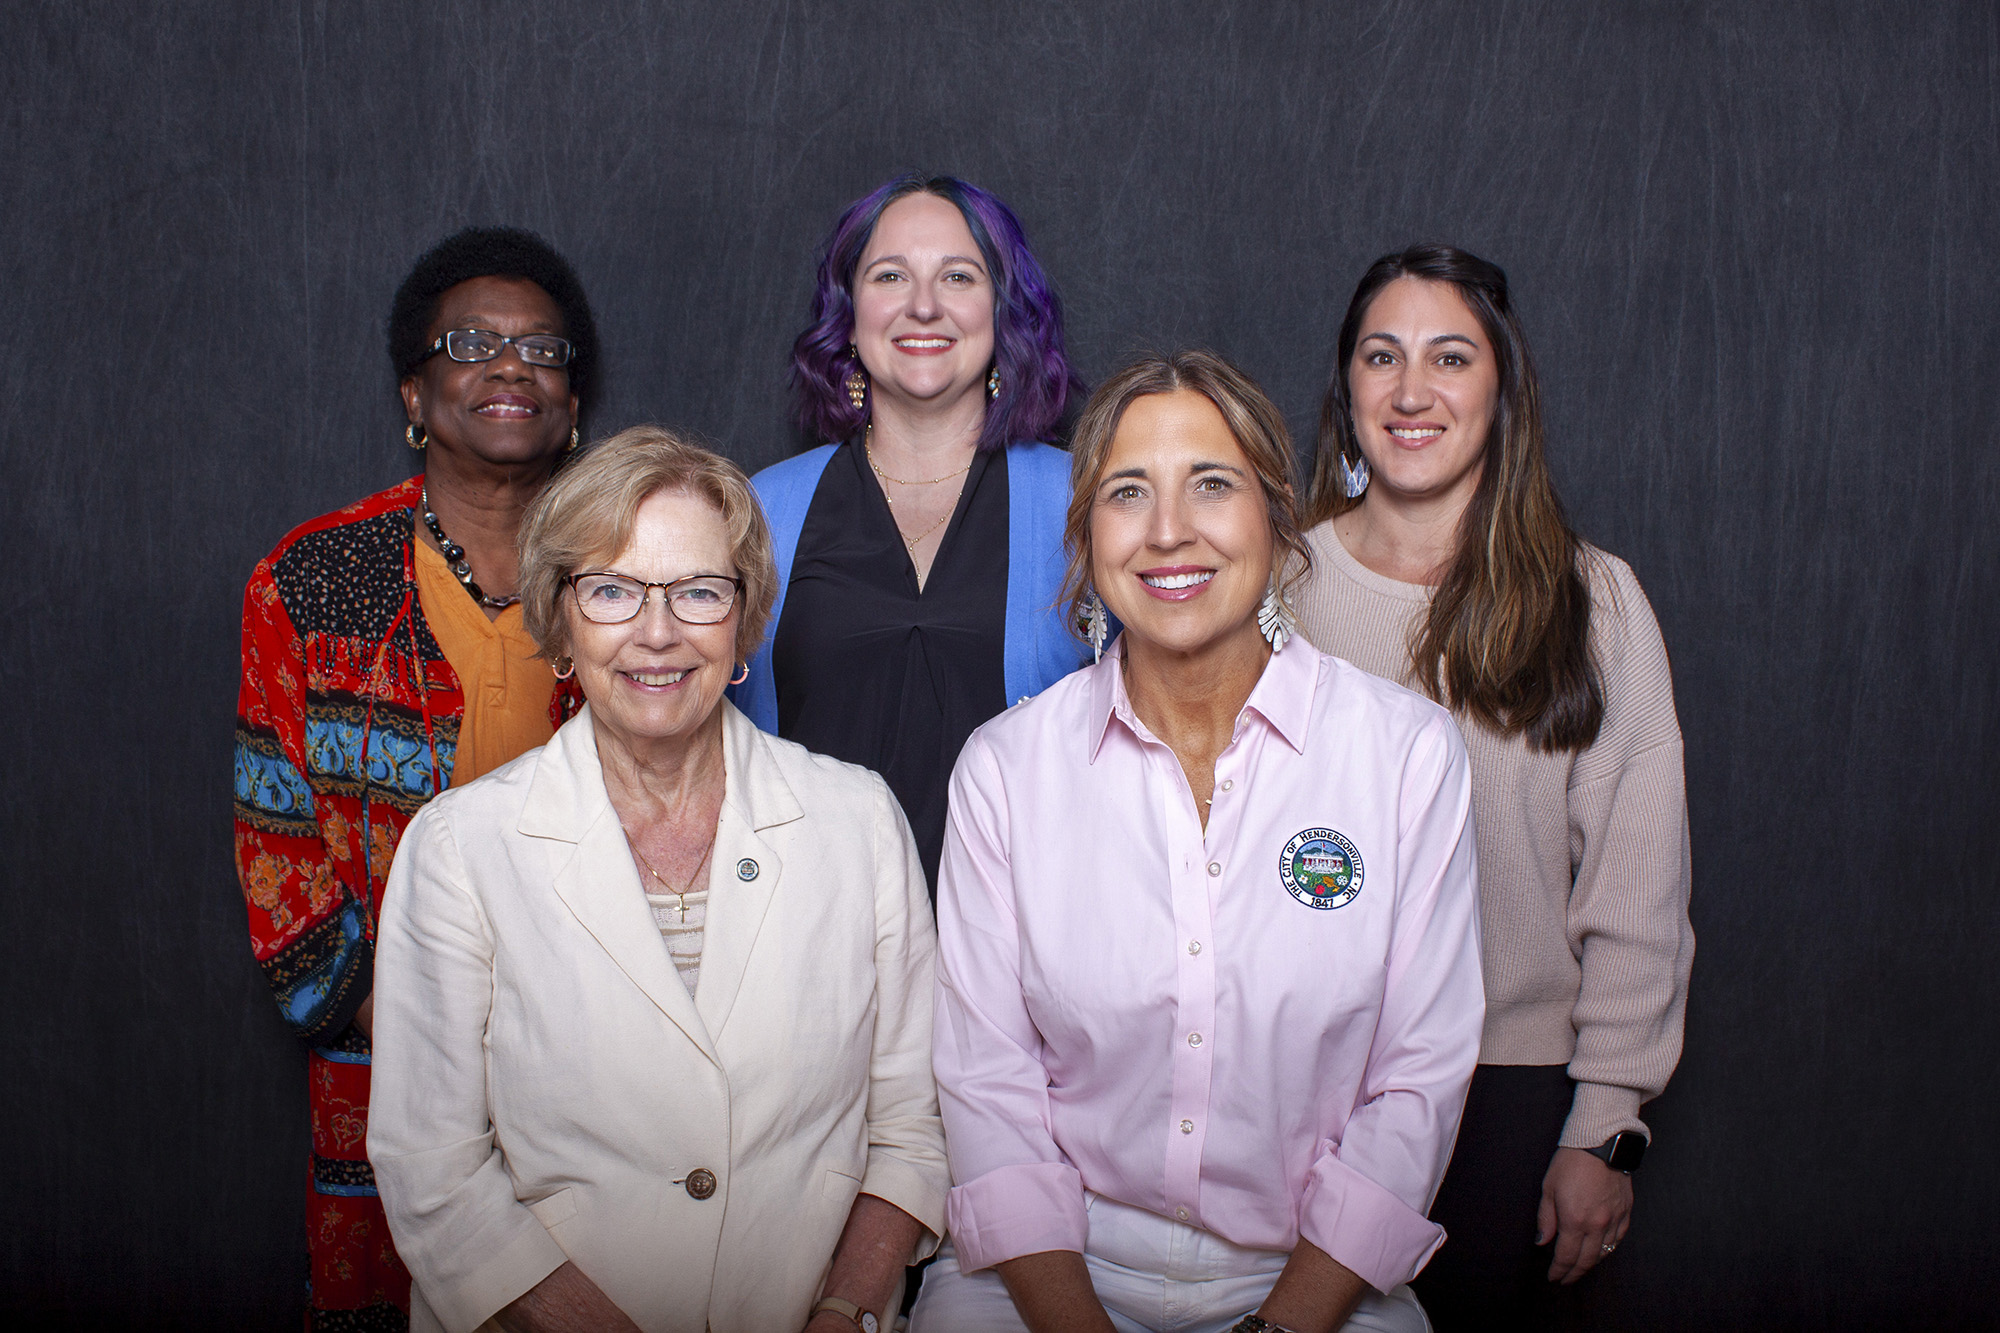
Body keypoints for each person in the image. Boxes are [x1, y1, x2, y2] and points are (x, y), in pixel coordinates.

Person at [913, 351, 1485, 1333]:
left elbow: (1416, 1080)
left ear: (1273, 513)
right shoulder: (1006, 770)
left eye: (1210, 485)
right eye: (1127, 492)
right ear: (1086, 533)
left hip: (1314, 1276)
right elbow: (986, 1082)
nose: (1168, 529)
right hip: (1051, 1265)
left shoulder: (1403, 756)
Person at [367, 427, 948, 1333]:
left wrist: (842, 1312)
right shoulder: (459, 851)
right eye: (611, 590)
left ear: (746, 614)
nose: (657, 631)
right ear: (561, 619)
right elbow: (430, 1168)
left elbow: (912, 1129)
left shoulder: (859, 823)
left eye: (699, 591)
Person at [1292, 244, 1694, 1328]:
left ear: (1501, 389)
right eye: (1381, 356)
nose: (1411, 391)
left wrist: (1601, 1124)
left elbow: (1635, 885)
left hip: (1506, 1095)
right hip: (1297, 1089)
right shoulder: (1274, 587)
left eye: (1449, 357)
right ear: (1346, 391)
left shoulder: (1591, 601)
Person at [233, 225, 598, 1329]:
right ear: (414, 386)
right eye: (471, 341)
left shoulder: (630, 577)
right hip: (385, 1070)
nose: (508, 367)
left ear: (574, 403)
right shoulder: (314, 577)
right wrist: (428, 1027)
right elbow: (277, 844)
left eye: (542, 349)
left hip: (603, 1061)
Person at [739, 172, 1090, 892]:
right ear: (849, 307)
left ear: (1005, 308)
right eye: (890, 274)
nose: (923, 305)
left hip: (1032, 932)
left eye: (958, 276)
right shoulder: (758, 508)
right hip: (806, 929)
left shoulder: (1091, 500)